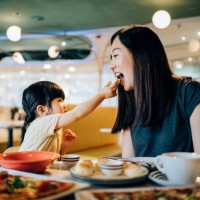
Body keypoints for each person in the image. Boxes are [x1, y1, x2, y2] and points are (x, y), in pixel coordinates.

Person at [109, 25, 200, 157]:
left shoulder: (188, 92)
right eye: (111, 57)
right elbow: (128, 165)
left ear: (140, 54)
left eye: (115, 55)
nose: (111, 65)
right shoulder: (130, 103)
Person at [19, 80, 120, 155]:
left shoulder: (54, 127)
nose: (65, 105)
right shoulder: (42, 122)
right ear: (42, 110)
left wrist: (64, 145)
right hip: (25, 172)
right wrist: (102, 95)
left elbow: (57, 157)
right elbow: (76, 114)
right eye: (59, 100)